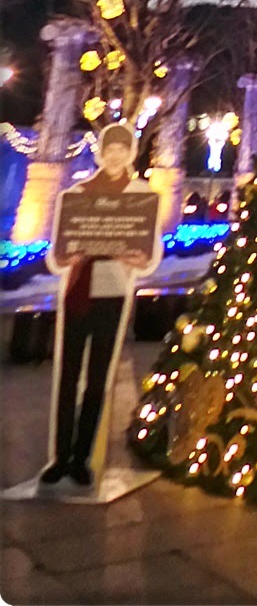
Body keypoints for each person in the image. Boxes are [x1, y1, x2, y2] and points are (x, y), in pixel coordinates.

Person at [42, 122, 162, 488]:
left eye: (122, 150)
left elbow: (149, 247)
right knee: (68, 376)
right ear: (101, 153)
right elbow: (57, 251)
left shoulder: (139, 195)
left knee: (97, 378)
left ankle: (81, 457)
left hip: (111, 291)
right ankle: (60, 457)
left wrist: (137, 259)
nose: (115, 156)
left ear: (130, 154)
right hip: (78, 292)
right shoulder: (79, 193)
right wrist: (67, 257)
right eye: (110, 149)